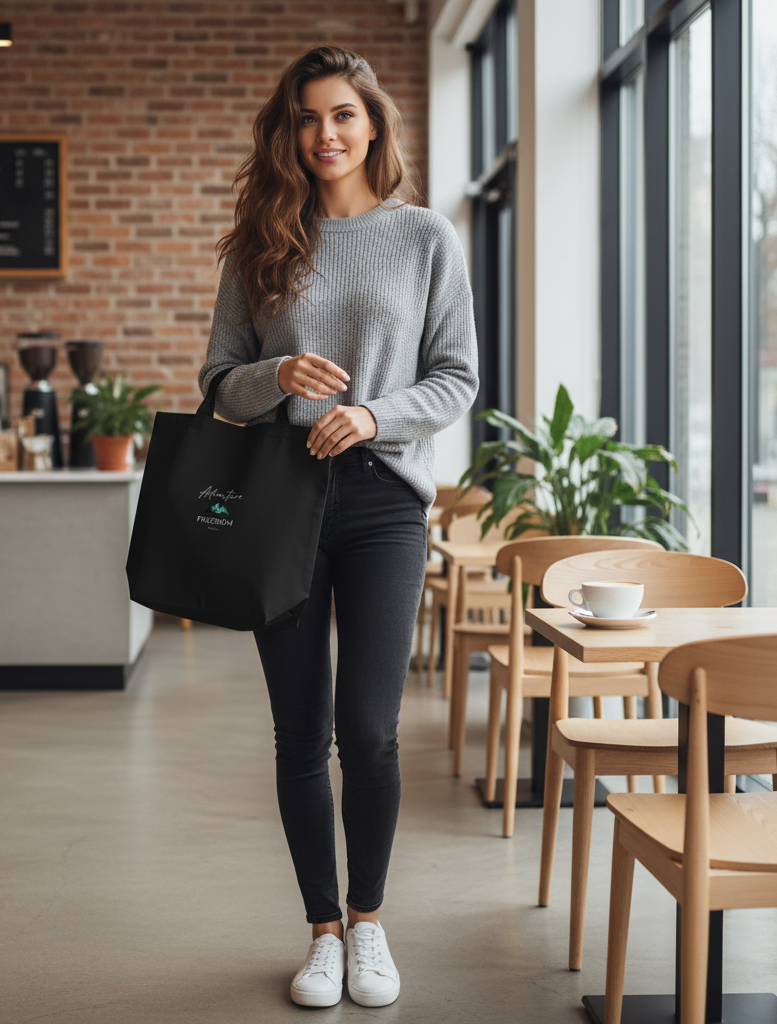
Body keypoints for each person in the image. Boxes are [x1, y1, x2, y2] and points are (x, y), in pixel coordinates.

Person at [198, 45, 478, 1008]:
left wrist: (375, 413)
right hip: (280, 501)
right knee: (297, 732)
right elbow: (215, 387)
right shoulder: (259, 242)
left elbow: (456, 377)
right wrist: (276, 378)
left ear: (373, 125)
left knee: (369, 730)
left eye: (344, 115)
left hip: (382, 502)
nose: (326, 134)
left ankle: (369, 923)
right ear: (290, 131)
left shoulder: (424, 239)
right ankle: (320, 928)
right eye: (309, 117)